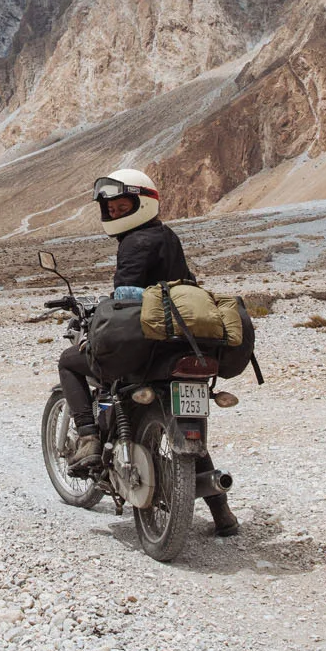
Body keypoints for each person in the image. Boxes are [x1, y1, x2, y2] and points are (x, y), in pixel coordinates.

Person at [58, 168, 191, 467]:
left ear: (142, 204)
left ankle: (89, 439)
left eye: (122, 207)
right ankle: (214, 496)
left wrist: (96, 332)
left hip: (146, 342)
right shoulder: (168, 236)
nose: (116, 213)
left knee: (69, 361)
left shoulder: (134, 241)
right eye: (112, 209)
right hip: (177, 339)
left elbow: (126, 300)